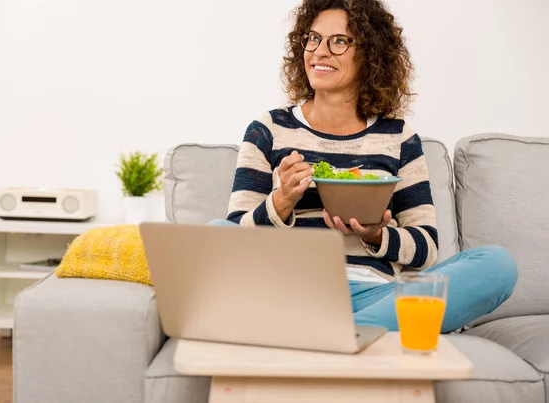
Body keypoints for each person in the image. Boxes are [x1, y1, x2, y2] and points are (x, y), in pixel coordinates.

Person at [216, 0, 517, 333]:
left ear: (370, 55)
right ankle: (359, 334)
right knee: (216, 233)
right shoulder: (268, 130)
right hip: (290, 288)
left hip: (376, 293)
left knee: (497, 265)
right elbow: (233, 238)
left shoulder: (399, 137)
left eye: (340, 41)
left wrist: (377, 235)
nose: (319, 52)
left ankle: (332, 333)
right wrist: (280, 202)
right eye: (312, 38)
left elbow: (427, 247)